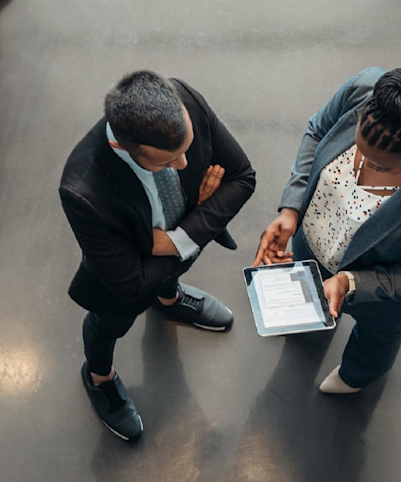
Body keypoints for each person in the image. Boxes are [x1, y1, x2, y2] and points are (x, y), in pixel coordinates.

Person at [253, 67, 401, 394]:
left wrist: (351, 282)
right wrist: (291, 209)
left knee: (377, 337)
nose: (362, 165)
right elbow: (318, 130)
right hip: (314, 242)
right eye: (358, 146)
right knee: (310, 303)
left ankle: (357, 375)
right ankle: (310, 321)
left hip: (377, 290)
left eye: (383, 167)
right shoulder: (363, 88)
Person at [59, 71, 256, 441]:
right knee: (109, 324)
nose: (184, 166)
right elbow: (131, 286)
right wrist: (202, 215)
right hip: (120, 284)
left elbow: (243, 177)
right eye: (167, 162)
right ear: (122, 148)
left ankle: (169, 297)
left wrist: (178, 238)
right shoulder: (82, 191)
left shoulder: (185, 99)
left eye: (187, 149)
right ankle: (99, 377)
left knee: (168, 274)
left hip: (166, 247)